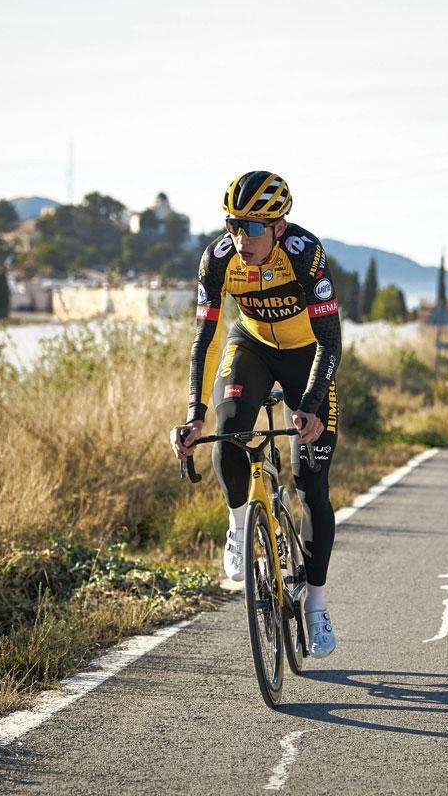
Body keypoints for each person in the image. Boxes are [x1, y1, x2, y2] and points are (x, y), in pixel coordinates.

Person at [170, 171, 342, 658]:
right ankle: (239, 523)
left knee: (313, 486)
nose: (240, 238)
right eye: (233, 225)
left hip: (306, 356)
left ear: (280, 227)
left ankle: (316, 604)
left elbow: (330, 341)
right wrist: (192, 412)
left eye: (253, 228)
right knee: (228, 431)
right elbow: (204, 341)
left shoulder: (307, 253)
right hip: (251, 348)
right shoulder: (218, 260)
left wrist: (307, 408)